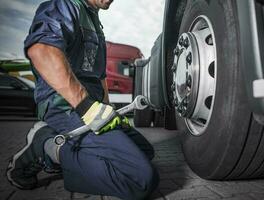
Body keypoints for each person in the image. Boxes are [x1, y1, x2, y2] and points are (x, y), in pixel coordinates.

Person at [6, 0, 159, 199]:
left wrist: (107, 108)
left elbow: (99, 76)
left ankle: (64, 154)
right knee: (140, 179)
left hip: (91, 107)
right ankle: (47, 146)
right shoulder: (65, 5)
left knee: (145, 151)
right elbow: (41, 50)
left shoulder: (94, 20)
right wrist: (86, 107)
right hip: (65, 106)